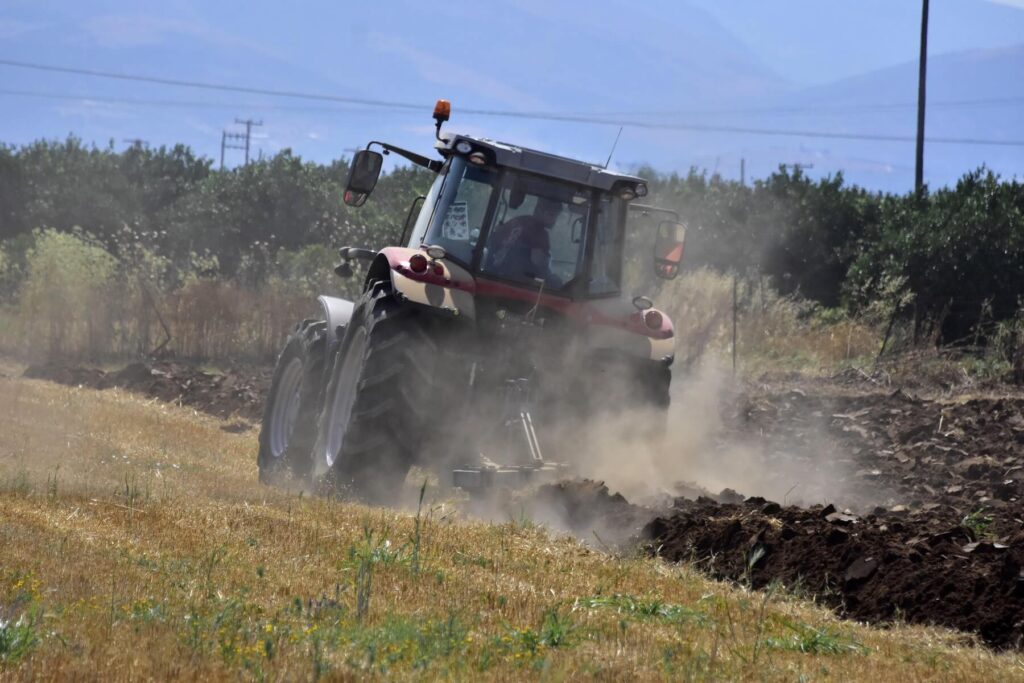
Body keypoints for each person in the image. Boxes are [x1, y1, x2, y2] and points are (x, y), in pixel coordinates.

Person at [486, 196, 562, 284]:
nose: (554, 220)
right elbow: (537, 260)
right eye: (551, 215)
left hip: (491, 274)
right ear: (539, 211)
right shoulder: (539, 232)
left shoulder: (517, 221)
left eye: (556, 216)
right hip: (516, 282)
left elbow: (491, 241)